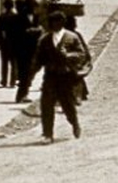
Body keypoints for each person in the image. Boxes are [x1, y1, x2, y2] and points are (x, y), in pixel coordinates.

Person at [33, 11, 88, 143]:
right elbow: (39, 58)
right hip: (50, 76)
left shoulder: (72, 37)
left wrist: (68, 55)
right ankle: (47, 134)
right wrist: (32, 73)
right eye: (51, 22)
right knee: (46, 104)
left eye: (56, 22)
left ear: (62, 23)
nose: (53, 25)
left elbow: (82, 54)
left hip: (65, 76)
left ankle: (74, 123)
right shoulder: (45, 40)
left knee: (67, 104)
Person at [12, 0, 43, 104]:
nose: (35, 10)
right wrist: (34, 31)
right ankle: (21, 95)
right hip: (22, 49)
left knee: (29, 71)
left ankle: (24, 93)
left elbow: (39, 29)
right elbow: (18, 33)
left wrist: (37, 31)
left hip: (33, 48)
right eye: (34, 7)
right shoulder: (19, 18)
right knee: (24, 72)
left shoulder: (36, 17)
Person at [0, 0, 18, 88]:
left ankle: (4, 81)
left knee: (4, 63)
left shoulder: (2, 17)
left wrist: (0, 42)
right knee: (14, 63)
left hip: (5, 42)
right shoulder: (16, 17)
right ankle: (12, 82)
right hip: (14, 42)